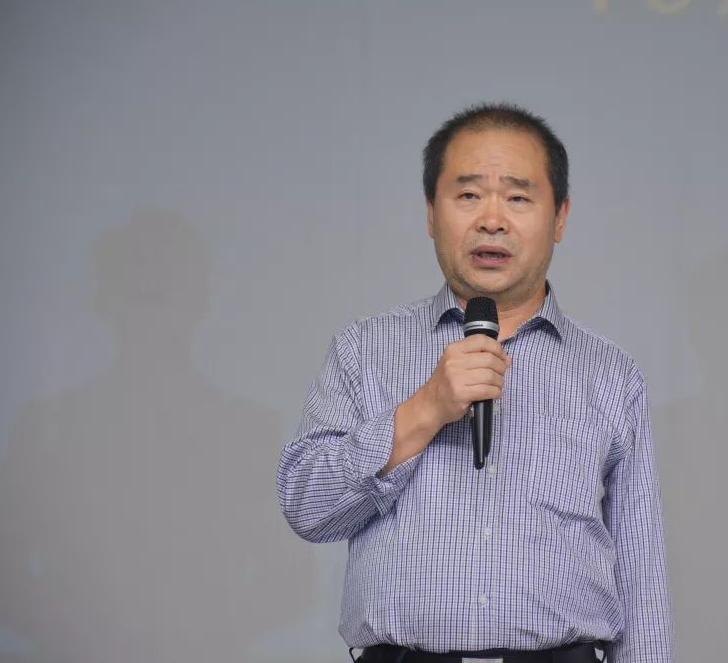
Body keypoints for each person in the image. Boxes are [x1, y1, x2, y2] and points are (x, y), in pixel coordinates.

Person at [277, 103, 673, 663]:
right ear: (431, 213)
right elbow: (308, 509)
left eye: (518, 198)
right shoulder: (364, 350)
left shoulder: (610, 374)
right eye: (468, 195)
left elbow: (641, 572)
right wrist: (424, 409)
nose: (492, 220)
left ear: (559, 217)